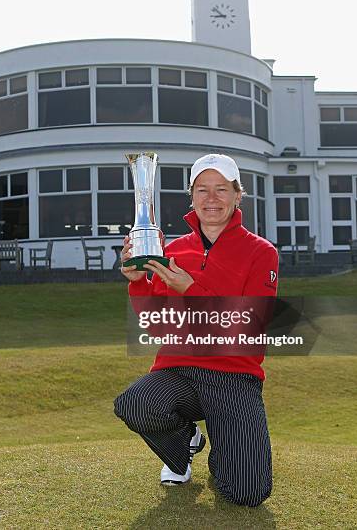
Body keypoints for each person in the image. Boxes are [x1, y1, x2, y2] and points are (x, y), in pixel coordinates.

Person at [114, 154, 278, 507]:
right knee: (136, 404)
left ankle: (228, 458)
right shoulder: (170, 250)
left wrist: (191, 290)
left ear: (238, 195)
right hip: (178, 370)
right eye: (202, 189)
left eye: (221, 189)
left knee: (247, 493)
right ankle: (184, 443)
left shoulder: (261, 252)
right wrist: (139, 283)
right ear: (192, 196)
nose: (211, 198)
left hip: (235, 375)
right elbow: (157, 326)